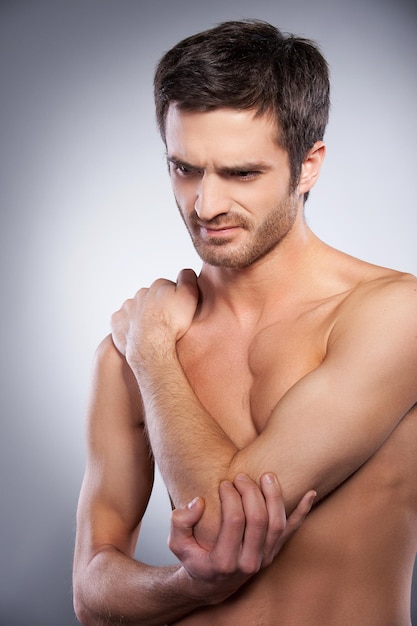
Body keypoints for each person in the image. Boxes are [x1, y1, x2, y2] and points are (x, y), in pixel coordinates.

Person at [73, 19, 417, 625]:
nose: (205, 206)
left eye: (241, 173)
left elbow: (219, 527)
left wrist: (154, 354)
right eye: (185, 169)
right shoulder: (119, 355)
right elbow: (91, 592)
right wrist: (185, 590)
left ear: (308, 166)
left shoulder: (393, 314)